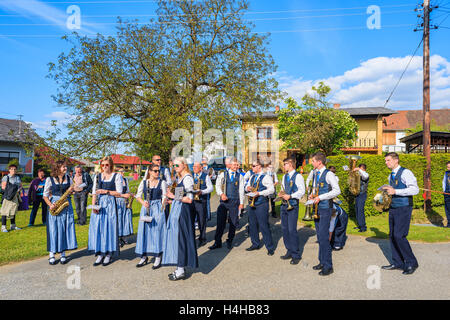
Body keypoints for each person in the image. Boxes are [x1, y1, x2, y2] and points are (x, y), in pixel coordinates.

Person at [381, 152, 419, 275]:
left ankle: (411, 262)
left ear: (396, 160)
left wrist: (395, 190)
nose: (386, 163)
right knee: (392, 235)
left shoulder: (406, 172)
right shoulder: (390, 176)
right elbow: (392, 192)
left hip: (404, 207)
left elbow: (415, 189)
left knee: (399, 236)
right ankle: (398, 262)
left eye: (388, 160)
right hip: (393, 207)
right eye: (386, 161)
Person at [162, 157, 198, 280]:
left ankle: (181, 269)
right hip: (178, 210)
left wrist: (173, 196)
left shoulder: (187, 178)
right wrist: (172, 200)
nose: (175, 168)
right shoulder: (180, 178)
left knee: (181, 239)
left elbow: (189, 199)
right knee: (178, 239)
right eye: (174, 166)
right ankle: (179, 267)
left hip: (183, 212)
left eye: (177, 165)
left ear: (184, 165)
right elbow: (179, 197)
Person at [309, 152, 341, 276]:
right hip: (317, 207)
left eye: (313, 161)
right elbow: (317, 189)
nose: (311, 163)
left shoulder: (329, 174)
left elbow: (337, 190)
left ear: (319, 162)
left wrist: (320, 197)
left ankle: (328, 266)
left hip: (325, 208)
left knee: (323, 237)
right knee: (320, 237)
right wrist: (313, 195)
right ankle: (322, 261)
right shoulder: (316, 174)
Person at [88, 156, 123, 267]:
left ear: (111, 165)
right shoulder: (97, 176)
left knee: (109, 228)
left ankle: (108, 253)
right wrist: (94, 206)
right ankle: (100, 253)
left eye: (106, 165)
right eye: (102, 165)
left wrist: (106, 191)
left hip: (110, 204)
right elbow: (94, 192)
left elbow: (119, 192)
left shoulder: (116, 176)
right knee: (99, 228)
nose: (104, 167)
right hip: (99, 204)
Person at [42, 160, 78, 265]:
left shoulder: (69, 178)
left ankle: (63, 253)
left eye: (65, 166)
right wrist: (50, 205)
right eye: (63, 167)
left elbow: (73, 190)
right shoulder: (50, 179)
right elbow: (45, 195)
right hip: (55, 205)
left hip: (66, 205)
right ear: (57, 168)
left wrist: (73, 190)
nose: (65, 168)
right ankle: (52, 254)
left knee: (64, 229)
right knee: (53, 230)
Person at [135, 163, 167, 268]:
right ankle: (144, 256)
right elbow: (138, 196)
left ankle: (158, 255)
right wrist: (143, 203)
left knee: (157, 231)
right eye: (155, 171)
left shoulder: (162, 183)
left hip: (157, 207)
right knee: (144, 232)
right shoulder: (144, 182)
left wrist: (162, 209)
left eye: (158, 171)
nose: (157, 173)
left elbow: (164, 197)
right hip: (146, 207)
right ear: (150, 171)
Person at [209, 157, 244, 250]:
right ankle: (217, 242)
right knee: (220, 222)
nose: (236, 166)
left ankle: (230, 240)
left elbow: (241, 190)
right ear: (230, 165)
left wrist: (241, 203)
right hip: (224, 202)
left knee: (233, 223)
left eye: (237, 165)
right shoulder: (223, 175)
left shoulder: (240, 176)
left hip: (235, 202)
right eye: (235, 165)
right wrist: (221, 194)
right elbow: (217, 186)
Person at [244, 160, 275, 256]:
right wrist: (247, 188)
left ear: (259, 166)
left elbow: (271, 190)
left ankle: (269, 247)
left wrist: (259, 193)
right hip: (252, 203)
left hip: (261, 204)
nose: (252, 168)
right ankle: (255, 244)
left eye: (253, 166)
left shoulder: (266, 177)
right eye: (252, 166)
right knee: (252, 225)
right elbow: (246, 186)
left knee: (263, 226)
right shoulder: (252, 177)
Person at [279, 158, 305, 265]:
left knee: (292, 230)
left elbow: (302, 191)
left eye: (285, 164)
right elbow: (284, 189)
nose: (283, 166)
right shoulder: (285, 176)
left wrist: (291, 196)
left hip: (293, 205)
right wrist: (281, 194)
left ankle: (296, 255)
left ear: (290, 164)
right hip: (284, 205)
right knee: (284, 229)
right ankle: (289, 250)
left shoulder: (298, 176)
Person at [192, 162, 213, 247]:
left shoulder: (206, 176)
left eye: (196, 167)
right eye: (193, 166)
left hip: (201, 201)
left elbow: (211, 188)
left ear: (201, 168)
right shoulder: (190, 176)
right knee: (191, 221)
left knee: (201, 220)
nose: (194, 168)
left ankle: (202, 238)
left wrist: (202, 192)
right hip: (191, 201)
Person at [1, 164, 22, 232]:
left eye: (15, 169)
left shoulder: (17, 178)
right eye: (12, 169)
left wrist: (18, 190)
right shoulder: (6, 177)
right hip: (7, 197)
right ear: (9, 170)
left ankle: (13, 225)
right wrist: (11, 190)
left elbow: (20, 186)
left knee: (13, 211)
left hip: (15, 196)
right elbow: (3, 187)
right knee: (5, 211)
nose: (13, 170)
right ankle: (3, 227)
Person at [116, 168, 134, 246]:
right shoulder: (115, 180)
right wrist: (123, 195)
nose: (122, 173)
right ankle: (118, 237)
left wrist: (131, 194)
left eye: (123, 171)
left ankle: (124, 236)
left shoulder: (125, 180)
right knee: (119, 220)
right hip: (118, 202)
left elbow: (127, 190)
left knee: (125, 219)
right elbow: (115, 193)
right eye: (121, 171)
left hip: (125, 202)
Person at [152, 155, 172, 221]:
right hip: (154, 196)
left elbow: (169, 182)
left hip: (163, 195)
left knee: (164, 214)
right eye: (157, 160)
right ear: (153, 161)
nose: (159, 161)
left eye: (160, 160)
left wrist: (162, 185)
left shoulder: (165, 169)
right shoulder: (149, 170)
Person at [354, 163, 369, 232]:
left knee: (360, 210)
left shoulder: (366, 174)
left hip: (362, 194)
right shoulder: (359, 174)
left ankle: (363, 227)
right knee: (357, 210)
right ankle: (359, 225)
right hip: (357, 194)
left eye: (360, 168)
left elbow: (365, 177)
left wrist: (359, 170)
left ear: (363, 169)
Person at [201, 157, 215, 221]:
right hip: (201, 187)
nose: (202, 160)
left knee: (207, 202)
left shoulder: (210, 169)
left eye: (203, 159)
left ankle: (207, 216)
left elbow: (214, 176)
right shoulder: (200, 168)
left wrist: (211, 177)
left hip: (208, 187)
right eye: (202, 159)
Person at [443, 161, 450, 228]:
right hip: (447, 193)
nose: (448, 168)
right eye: (447, 167)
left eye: (449, 167)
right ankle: (449, 224)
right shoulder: (446, 173)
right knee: (447, 209)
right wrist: (444, 191)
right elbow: (444, 182)